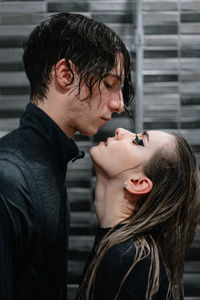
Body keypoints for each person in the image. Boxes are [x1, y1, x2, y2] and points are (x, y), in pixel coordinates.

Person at [0, 13, 133, 300]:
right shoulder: (9, 176)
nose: (119, 104)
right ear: (64, 74)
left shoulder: (45, 163)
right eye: (110, 83)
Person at [76, 128, 200, 300]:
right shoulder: (120, 250)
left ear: (138, 183)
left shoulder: (133, 261)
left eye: (138, 141)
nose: (119, 130)